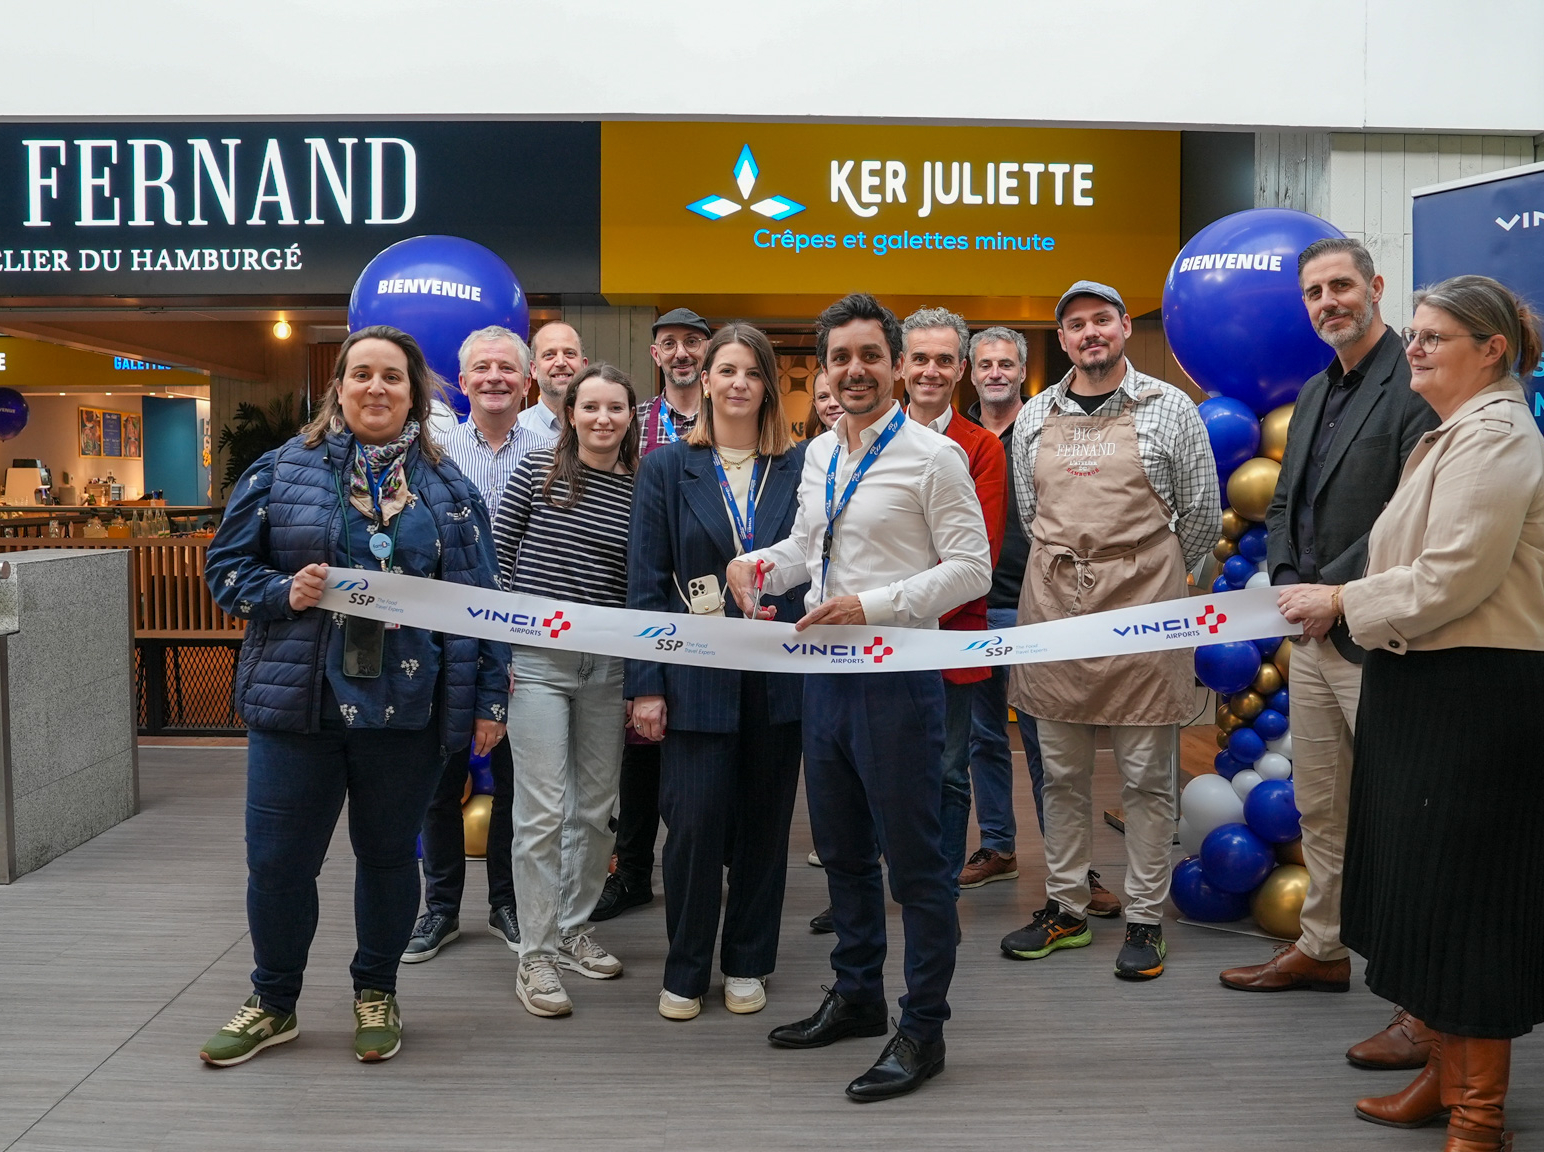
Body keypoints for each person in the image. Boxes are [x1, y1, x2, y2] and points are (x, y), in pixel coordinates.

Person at [199, 325, 510, 1066]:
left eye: (392, 377)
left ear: (415, 394)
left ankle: (377, 990)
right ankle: (273, 1002)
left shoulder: (450, 491)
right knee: (278, 863)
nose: (376, 388)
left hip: (407, 708)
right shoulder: (281, 470)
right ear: (338, 388)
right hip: (297, 706)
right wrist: (284, 590)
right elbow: (226, 570)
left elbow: (485, 603)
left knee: (389, 860)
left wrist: (489, 702)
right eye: (361, 374)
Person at [1281, 275, 1544, 1152]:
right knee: (1422, 895)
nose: (1416, 349)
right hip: (1424, 681)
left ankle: (1480, 1115)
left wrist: (1339, 601)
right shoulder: (1453, 431)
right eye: (1417, 333)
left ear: (1492, 350)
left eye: (1434, 337)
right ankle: (1442, 1077)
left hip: (1474, 695)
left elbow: (1452, 576)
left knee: (1467, 905)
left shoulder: (1496, 435)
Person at [729, 292, 991, 1103]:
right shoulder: (819, 454)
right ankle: (857, 996)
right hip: (825, 678)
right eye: (840, 357)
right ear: (825, 368)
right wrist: (757, 565)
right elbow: (810, 548)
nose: (855, 371)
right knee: (841, 851)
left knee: (916, 866)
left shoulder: (934, 456)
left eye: (871, 356)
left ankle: (924, 1028)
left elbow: (972, 569)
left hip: (896, 680)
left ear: (898, 365)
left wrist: (871, 606)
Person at [1219, 239, 1437, 1008]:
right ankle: (1322, 947)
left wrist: (1330, 592)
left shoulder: (1416, 383)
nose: (1327, 303)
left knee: (1402, 814)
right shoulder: (1315, 390)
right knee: (1321, 805)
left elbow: (1406, 515)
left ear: (1375, 286)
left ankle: (1422, 999)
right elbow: (1283, 503)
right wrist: (1287, 584)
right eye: (1313, 292)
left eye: (1340, 285)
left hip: (1381, 635)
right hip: (1311, 635)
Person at [1000, 281, 1219, 981]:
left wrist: (1146, 576)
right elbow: (1033, 515)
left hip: (1144, 610)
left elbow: (1201, 515)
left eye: (1101, 320)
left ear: (1125, 327)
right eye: (1075, 324)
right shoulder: (1036, 416)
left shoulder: (1170, 407)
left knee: (1147, 778)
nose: (1089, 332)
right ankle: (1066, 907)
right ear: (1063, 339)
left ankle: (1145, 917)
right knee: (1061, 775)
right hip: (1054, 608)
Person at [627, 323, 809, 1021]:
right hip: (694, 678)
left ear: (769, 387)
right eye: (726, 370)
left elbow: (817, 565)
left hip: (778, 676)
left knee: (764, 830)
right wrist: (646, 684)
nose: (738, 383)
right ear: (704, 381)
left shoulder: (801, 467)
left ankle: (748, 962)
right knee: (693, 828)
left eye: (752, 372)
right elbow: (646, 584)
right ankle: (685, 967)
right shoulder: (667, 469)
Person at [493, 364, 639, 1018]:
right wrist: (501, 653)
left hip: (608, 667)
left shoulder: (641, 489)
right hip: (537, 665)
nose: (603, 419)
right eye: (591, 407)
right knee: (542, 812)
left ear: (631, 418)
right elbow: (498, 562)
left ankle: (573, 928)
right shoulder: (534, 472)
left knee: (597, 810)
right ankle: (536, 955)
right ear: (570, 414)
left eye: (616, 408)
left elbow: (641, 583)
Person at [404, 325, 535, 964]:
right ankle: (442, 909)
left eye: (506, 368)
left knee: (516, 783)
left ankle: (507, 903)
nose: (494, 378)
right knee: (441, 779)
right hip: (449, 638)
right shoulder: (435, 453)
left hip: (529, 638)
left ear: (526, 381)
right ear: (463, 381)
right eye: (481, 368)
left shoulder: (553, 449)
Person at [597, 306, 713, 922]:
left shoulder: (728, 415)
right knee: (638, 743)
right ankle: (633, 871)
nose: (681, 353)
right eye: (669, 343)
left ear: (708, 351)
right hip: (639, 588)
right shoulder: (633, 421)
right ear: (655, 354)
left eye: (692, 342)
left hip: (712, 601)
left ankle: (711, 863)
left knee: (705, 738)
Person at [958, 327, 1075, 897]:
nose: (996, 373)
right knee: (983, 739)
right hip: (971, 610)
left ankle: (1070, 866)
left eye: (1006, 364)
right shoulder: (954, 438)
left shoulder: (1050, 430)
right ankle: (998, 847)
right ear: (970, 372)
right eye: (986, 365)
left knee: (1048, 743)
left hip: (1036, 609)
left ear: (1023, 371)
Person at [901, 307, 1005, 904]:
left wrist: (895, 601)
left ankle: (935, 892)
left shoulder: (981, 447)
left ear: (961, 369)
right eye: (920, 358)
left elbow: (977, 556)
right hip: (876, 639)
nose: (931, 371)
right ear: (900, 366)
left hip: (950, 639)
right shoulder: (867, 438)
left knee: (945, 770)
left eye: (944, 360)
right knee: (875, 767)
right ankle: (863, 890)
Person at [522, 321, 587, 447]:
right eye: (549, 355)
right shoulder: (517, 429)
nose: (561, 362)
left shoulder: (604, 427)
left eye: (570, 353)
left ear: (584, 366)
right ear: (534, 369)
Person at [804, 368, 842, 439]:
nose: (832, 403)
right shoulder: (808, 446)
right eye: (823, 397)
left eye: (839, 394)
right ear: (815, 405)